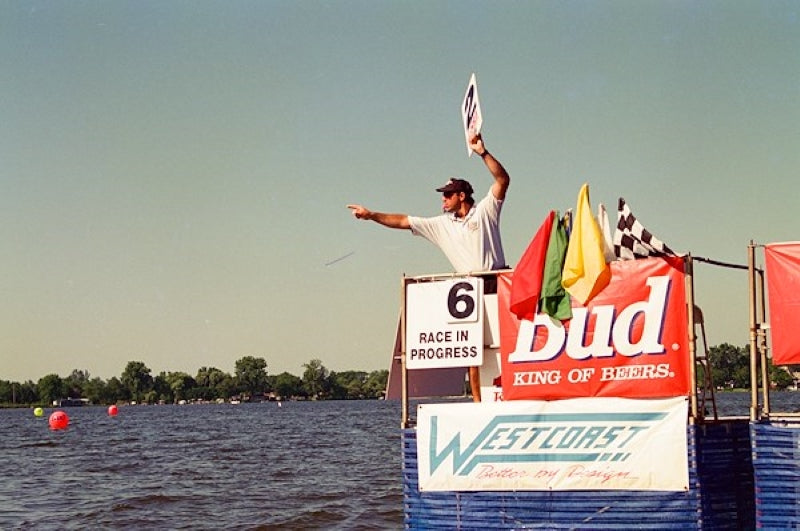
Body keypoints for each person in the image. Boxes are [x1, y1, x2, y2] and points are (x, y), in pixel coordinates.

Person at [347, 132, 510, 401]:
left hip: (496, 281)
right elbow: (403, 221)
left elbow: (502, 180)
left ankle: (509, 393)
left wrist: (483, 152)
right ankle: (479, 402)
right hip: (468, 287)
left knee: (503, 343)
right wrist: (371, 215)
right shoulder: (441, 224)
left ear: (461, 195)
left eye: (447, 195)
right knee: (470, 348)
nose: (442, 200)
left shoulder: (485, 211)